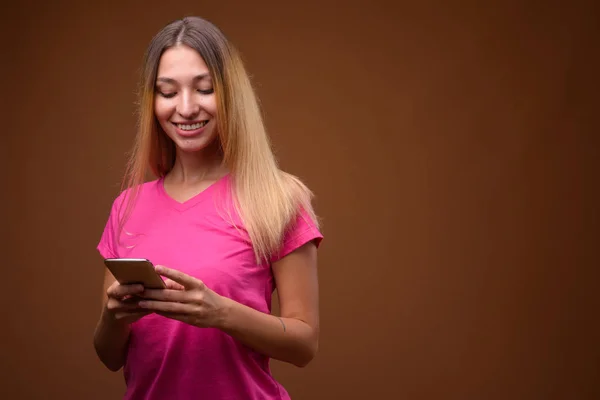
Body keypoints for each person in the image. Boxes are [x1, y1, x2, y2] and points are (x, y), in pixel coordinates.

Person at [92, 16, 323, 400]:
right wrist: (113, 317)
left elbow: (305, 344)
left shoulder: (278, 198)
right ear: (152, 102)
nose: (185, 108)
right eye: (167, 92)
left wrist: (220, 313)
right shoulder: (128, 207)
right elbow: (109, 355)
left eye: (204, 89)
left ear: (230, 93)